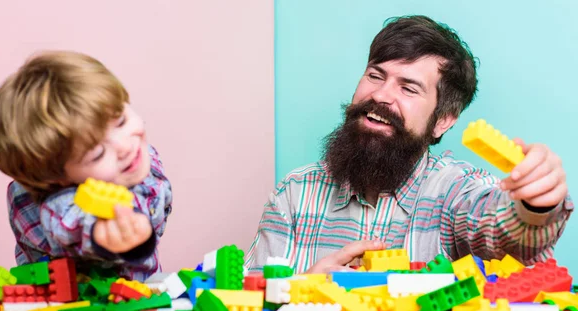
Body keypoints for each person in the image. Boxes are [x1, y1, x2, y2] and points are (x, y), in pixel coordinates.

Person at [245, 15, 573, 274]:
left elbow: (509, 235)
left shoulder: (456, 191)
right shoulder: (294, 193)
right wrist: (301, 290)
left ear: (443, 119)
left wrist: (536, 205)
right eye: (375, 75)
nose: (381, 95)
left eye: (409, 88)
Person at [0, 51, 172, 281]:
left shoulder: (129, 157)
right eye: (98, 153)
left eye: (120, 120)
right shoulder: (62, 205)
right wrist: (109, 236)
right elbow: (74, 222)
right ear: (57, 178)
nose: (124, 145)